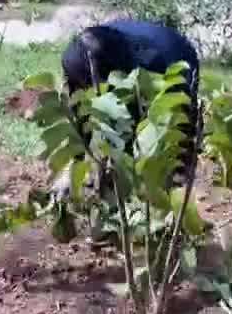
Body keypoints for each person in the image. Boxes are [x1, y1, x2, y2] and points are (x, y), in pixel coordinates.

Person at [56, 18, 201, 199]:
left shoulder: (153, 66)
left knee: (171, 137)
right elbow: (76, 107)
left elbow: (166, 122)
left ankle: (167, 194)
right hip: (121, 43)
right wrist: (72, 169)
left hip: (175, 53)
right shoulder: (74, 59)